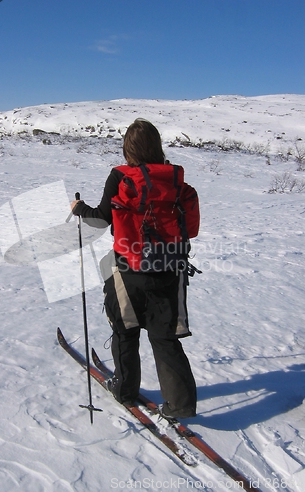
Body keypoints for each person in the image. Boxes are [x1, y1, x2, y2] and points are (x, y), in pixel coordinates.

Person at [71, 119, 198, 419]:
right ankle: (180, 404)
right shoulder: (175, 181)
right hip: (170, 269)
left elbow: (102, 220)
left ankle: (125, 388)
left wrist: (79, 210)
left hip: (128, 269)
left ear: (128, 148)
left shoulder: (119, 177)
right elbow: (190, 228)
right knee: (164, 336)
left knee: (125, 329)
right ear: (157, 146)